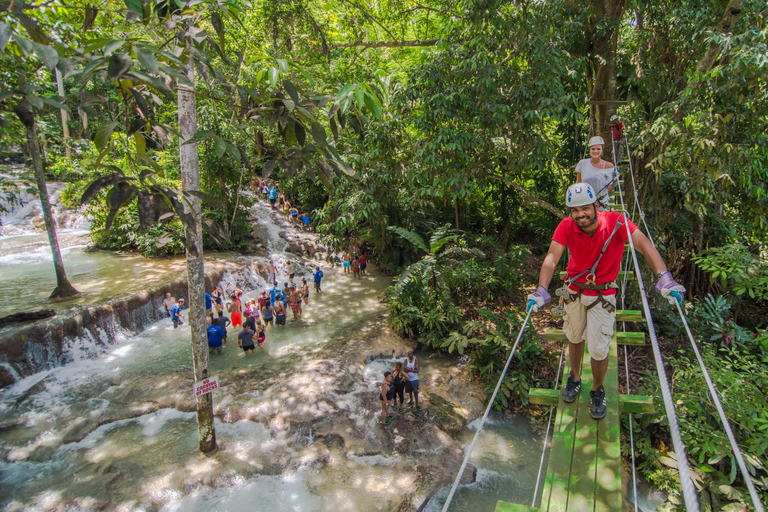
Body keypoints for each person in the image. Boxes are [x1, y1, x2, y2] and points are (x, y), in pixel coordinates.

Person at [527, 183, 685, 420]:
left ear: (596, 205)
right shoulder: (566, 226)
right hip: (574, 291)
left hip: (602, 295)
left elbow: (643, 244)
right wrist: (541, 290)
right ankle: (575, 377)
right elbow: (552, 256)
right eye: (574, 210)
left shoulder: (617, 222)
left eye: (585, 209)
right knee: (573, 336)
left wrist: (664, 277)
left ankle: (597, 389)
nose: (580, 215)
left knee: (599, 348)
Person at [576, 136, 615, 210]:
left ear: (602, 150)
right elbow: (578, 183)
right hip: (585, 203)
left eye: (598, 149)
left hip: (601, 204)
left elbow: (610, 188)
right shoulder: (582, 164)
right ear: (590, 150)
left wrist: (614, 181)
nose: (595, 151)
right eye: (593, 149)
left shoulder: (608, 166)